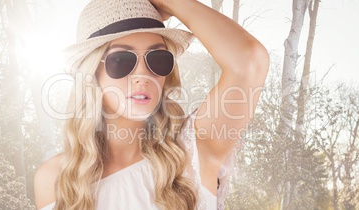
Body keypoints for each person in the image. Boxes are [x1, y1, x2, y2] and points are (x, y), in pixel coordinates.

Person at [34, 0, 269, 209]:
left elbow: (250, 61)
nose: (143, 75)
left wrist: (171, 2)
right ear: (92, 73)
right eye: (121, 60)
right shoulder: (55, 179)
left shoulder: (193, 150)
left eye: (157, 59)